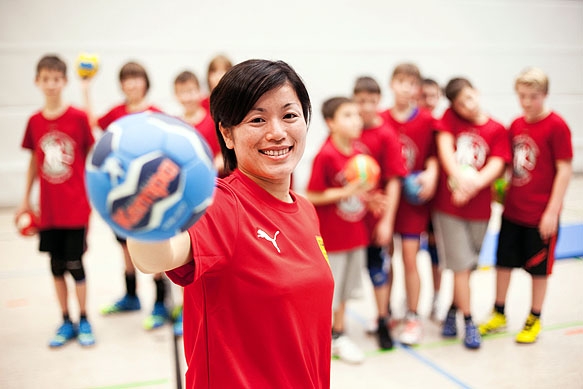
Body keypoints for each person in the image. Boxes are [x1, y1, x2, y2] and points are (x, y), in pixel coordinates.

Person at [127, 59, 334, 388]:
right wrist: (139, 210)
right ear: (227, 133)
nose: (277, 132)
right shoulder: (222, 204)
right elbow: (156, 257)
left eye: (290, 115)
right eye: (257, 119)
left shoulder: (306, 210)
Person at [479, 67, 573, 344]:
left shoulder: (557, 126)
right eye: (522, 96)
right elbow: (509, 166)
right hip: (513, 211)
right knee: (503, 264)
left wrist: (552, 212)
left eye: (533, 96)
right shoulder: (516, 124)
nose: (527, 102)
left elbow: (564, 169)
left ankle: (534, 317)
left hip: (539, 214)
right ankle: (499, 312)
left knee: (538, 269)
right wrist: (500, 190)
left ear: (544, 95)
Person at [81, 61, 170, 331]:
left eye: (136, 78)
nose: (132, 84)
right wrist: (86, 87)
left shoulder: (156, 114)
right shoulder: (118, 113)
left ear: (145, 82)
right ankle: (131, 297)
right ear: (121, 84)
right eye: (127, 79)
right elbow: (91, 122)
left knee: (153, 246)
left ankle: (159, 302)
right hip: (121, 193)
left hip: (150, 192)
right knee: (125, 247)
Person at [16, 54, 95, 347]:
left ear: (64, 81)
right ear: (37, 81)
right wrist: (25, 200)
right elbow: (34, 163)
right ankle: (65, 320)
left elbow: (92, 157)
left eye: (56, 79)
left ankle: (84, 319)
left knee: (76, 265)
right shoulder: (34, 122)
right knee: (56, 266)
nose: (51, 84)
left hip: (75, 208)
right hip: (48, 211)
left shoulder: (77, 118)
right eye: (45, 79)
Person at [432, 77, 511, 349]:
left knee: (467, 266)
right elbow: (446, 152)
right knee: (461, 266)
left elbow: (497, 164)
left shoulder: (497, 128)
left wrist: (471, 186)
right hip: (449, 209)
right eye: (460, 104)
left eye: (469, 98)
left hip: (479, 209)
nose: (467, 107)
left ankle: (453, 310)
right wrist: (458, 179)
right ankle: (469, 320)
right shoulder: (449, 119)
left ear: (476, 92)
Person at [306, 97, 371, 364]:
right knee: (329, 293)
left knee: (345, 291)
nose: (356, 120)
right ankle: (324, 337)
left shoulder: (359, 153)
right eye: (348, 115)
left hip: (355, 233)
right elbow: (312, 194)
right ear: (331, 122)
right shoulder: (326, 155)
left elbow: (357, 193)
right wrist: (347, 191)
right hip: (332, 238)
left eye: (357, 114)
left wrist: (369, 198)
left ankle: (339, 332)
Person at [382, 63, 439, 346]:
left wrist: (431, 173)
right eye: (400, 81)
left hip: (414, 204)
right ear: (391, 84)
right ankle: (386, 311)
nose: (405, 88)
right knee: (386, 259)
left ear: (417, 89)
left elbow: (434, 155)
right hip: (387, 201)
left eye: (411, 83)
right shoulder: (380, 119)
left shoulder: (427, 120)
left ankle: (413, 315)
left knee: (409, 259)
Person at [352, 76, 407, 349]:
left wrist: (387, 222)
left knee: (379, 269)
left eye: (371, 101)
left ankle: (383, 318)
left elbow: (394, 180)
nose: (366, 107)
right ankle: (336, 325)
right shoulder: (347, 131)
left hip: (376, 220)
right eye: (361, 101)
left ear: (378, 102)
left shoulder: (386, 135)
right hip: (351, 220)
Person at [418, 77, 445, 321]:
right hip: (412, 198)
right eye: (423, 95)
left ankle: (437, 297)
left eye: (433, 96)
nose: (427, 101)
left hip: (437, 200)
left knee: (436, 252)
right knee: (407, 252)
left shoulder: (440, 124)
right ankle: (409, 301)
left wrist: (433, 169)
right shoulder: (414, 121)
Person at [174, 70, 224, 175]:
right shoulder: (175, 125)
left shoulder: (214, 121)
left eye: (191, 91)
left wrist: (210, 169)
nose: (187, 98)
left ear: (199, 91)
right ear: (176, 95)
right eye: (182, 92)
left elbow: (224, 154)